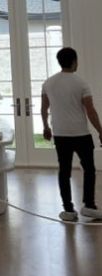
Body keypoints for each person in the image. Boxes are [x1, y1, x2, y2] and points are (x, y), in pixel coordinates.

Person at [41, 47, 102, 221]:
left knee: (64, 171)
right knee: (89, 169)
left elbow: (44, 108)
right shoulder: (81, 83)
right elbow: (90, 111)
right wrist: (101, 131)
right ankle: (89, 206)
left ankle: (68, 210)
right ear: (74, 61)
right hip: (81, 134)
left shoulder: (48, 83)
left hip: (60, 134)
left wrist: (46, 127)